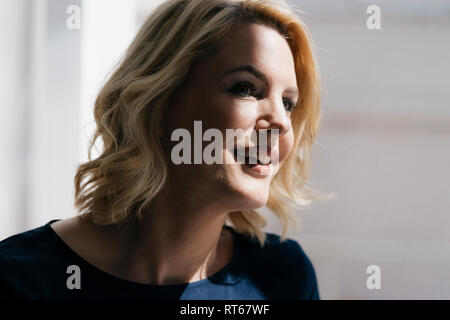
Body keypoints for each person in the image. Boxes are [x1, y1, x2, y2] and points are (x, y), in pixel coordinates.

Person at [0, 0, 321, 299]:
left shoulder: (283, 278)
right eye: (246, 88)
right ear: (161, 100)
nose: (281, 122)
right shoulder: (19, 277)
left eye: (288, 103)